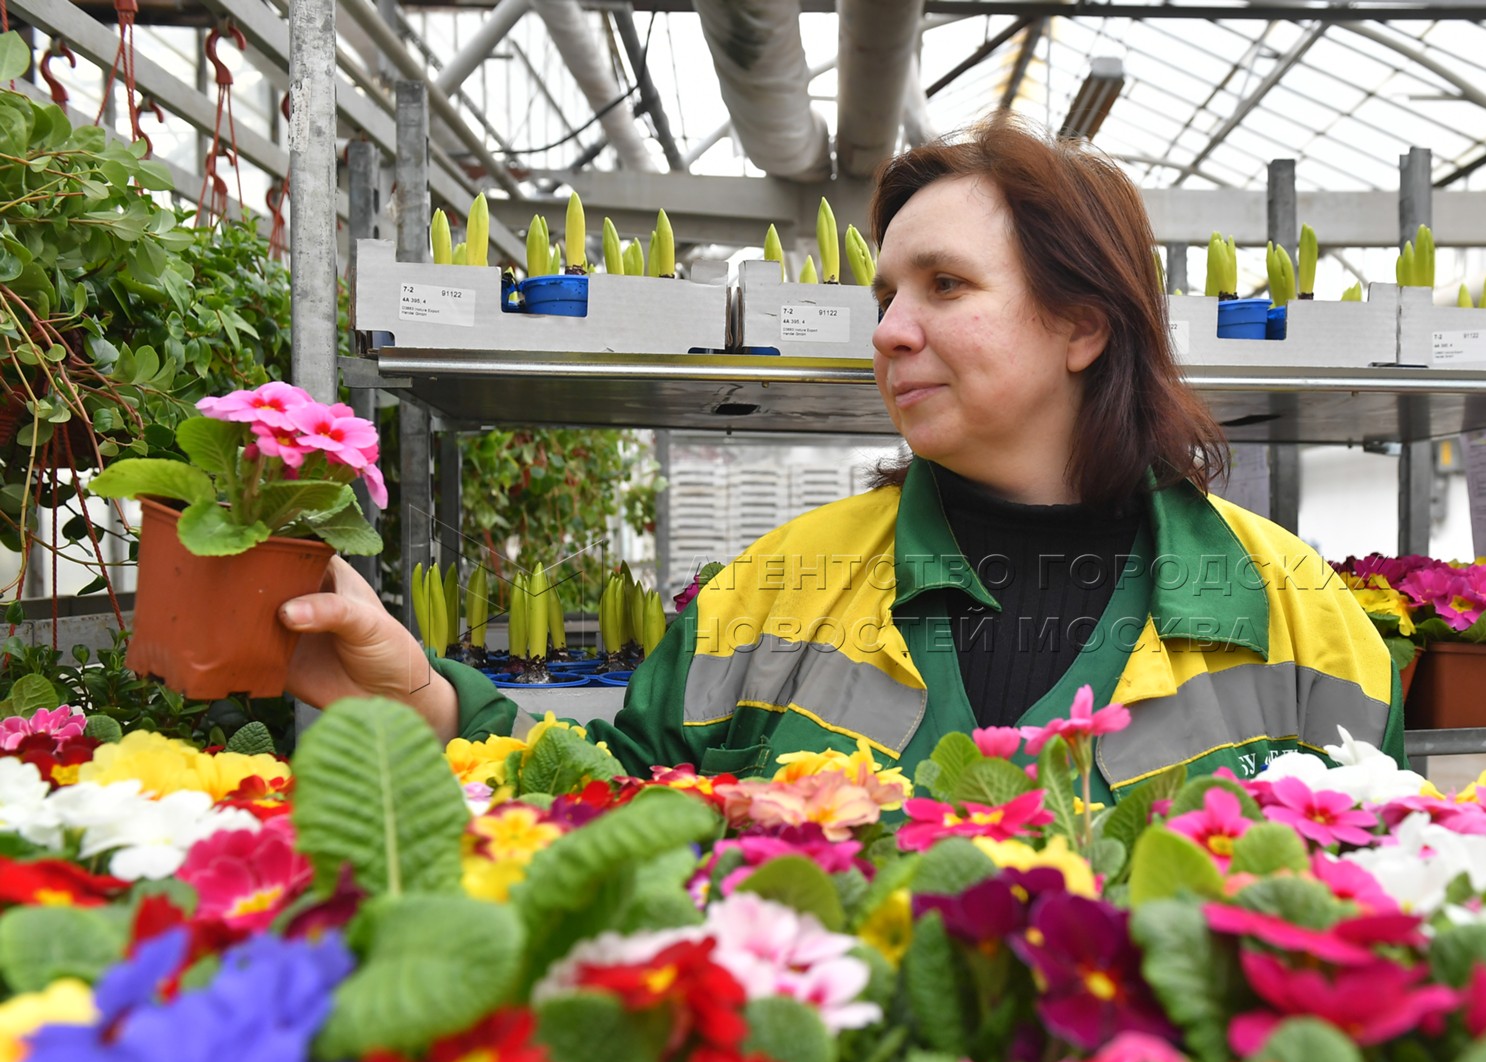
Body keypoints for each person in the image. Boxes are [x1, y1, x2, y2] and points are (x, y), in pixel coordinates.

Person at [280, 115, 1405, 801]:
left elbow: (1387, 892)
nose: (888, 330)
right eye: (886, 295)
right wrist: (430, 697)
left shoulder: (1300, 613)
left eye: (945, 287)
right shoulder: (771, 595)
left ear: (1084, 326)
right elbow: (618, 798)